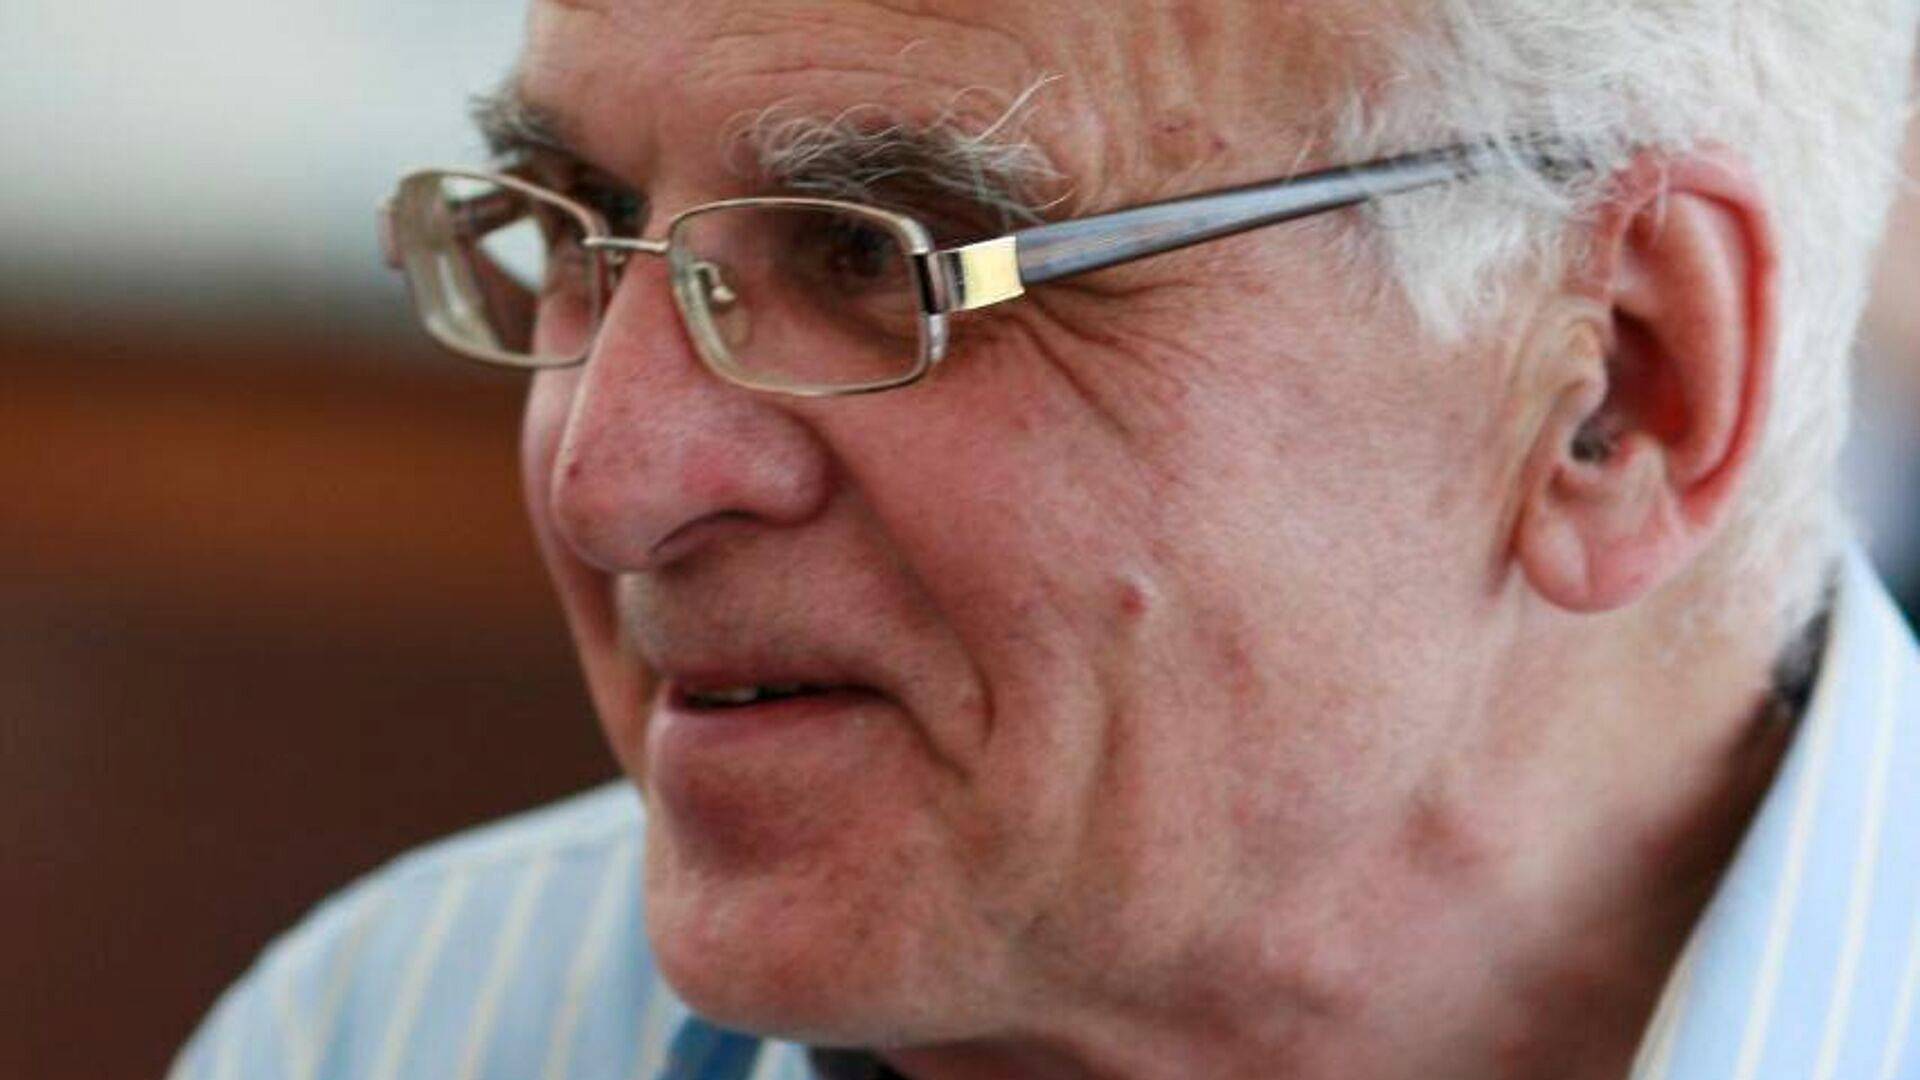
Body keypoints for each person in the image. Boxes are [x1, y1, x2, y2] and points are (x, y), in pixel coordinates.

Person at [172, 2, 1920, 1078]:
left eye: (876, 256)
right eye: (582, 230)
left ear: (1620, 392)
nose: (606, 480)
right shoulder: (397, 1032)